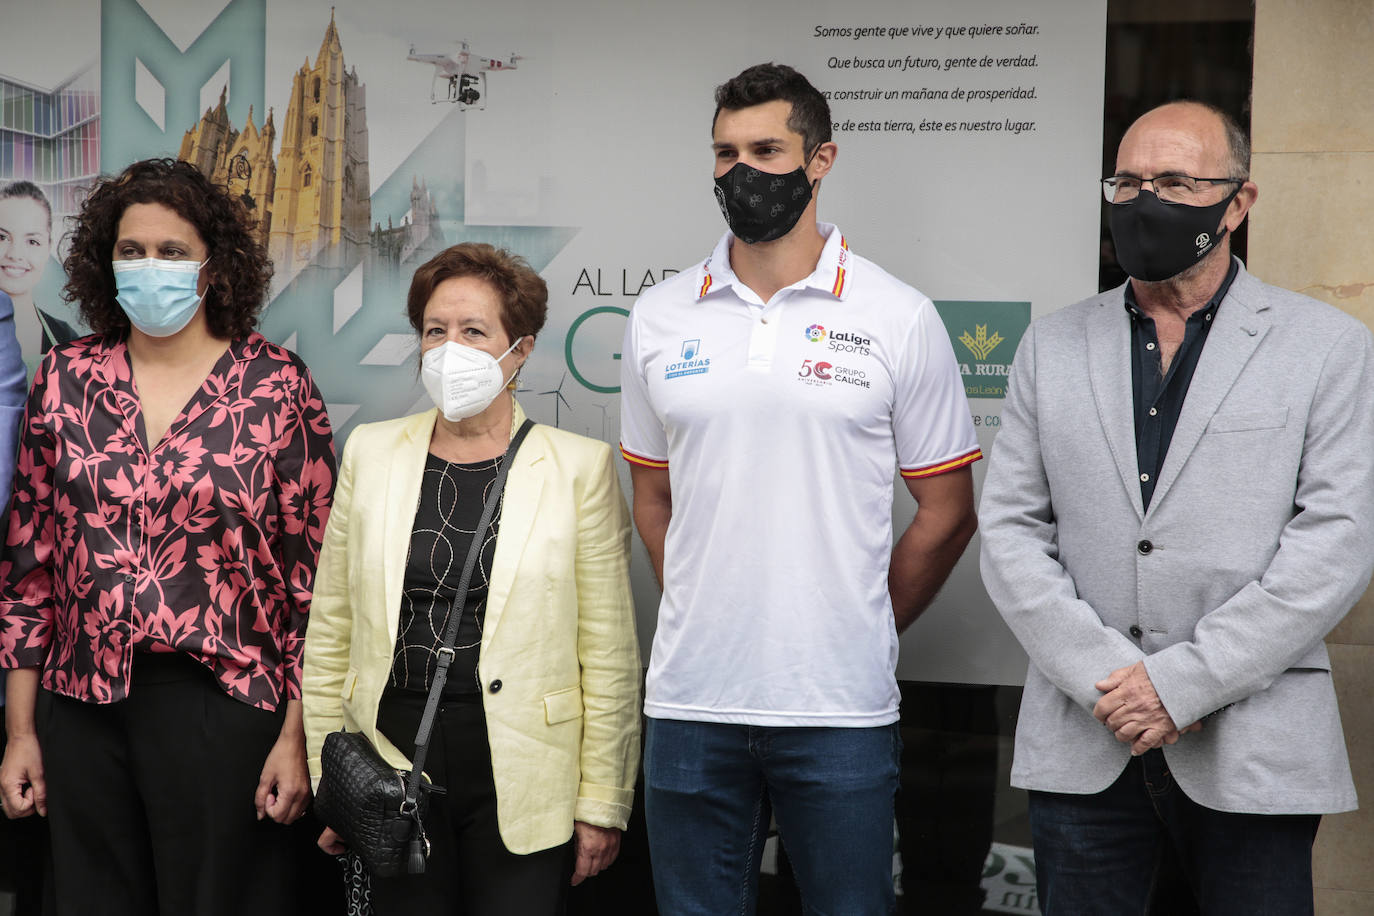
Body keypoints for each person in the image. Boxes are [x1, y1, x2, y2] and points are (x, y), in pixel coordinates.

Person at [979, 100, 1374, 915]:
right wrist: (1112, 685)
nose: (1142, 201)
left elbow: (1336, 543)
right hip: (1085, 742)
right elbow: (1012, 532)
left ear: (1239, 201)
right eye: (1126, 181)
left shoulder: (1328, 347)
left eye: (1173, 181)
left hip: (1252, 748)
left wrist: (1182, 685)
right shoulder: (1051, 346)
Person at [619, 62, 981, 915]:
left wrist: (855, 620)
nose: (741, 170)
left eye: (767, 148)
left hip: (838, 710)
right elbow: (651, 498)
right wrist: (709, 605)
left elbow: (949, 513)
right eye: (725, 152)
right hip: (690, 705)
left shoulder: (898, 316)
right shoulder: (660, 316)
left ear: (821, 160)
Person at [0, 157, 337, 916]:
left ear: (214, 266)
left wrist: (298, 737)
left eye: (173, 252)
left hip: (226, 706)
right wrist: (21, 732)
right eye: (132, 250)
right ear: (103, 262)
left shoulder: (277, 385)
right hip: (81, 705)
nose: (150, 267)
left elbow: (316, 588)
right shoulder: (65, 378)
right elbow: (28, 573)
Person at [302, 242, 641, 915]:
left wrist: (603, 802)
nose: (448, 349)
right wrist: (329, 780)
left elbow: (609, 655)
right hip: (391, 756)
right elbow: (331, 630)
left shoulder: (579, 468)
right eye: (435, 331)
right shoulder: (371, 452)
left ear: (521, 350)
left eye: (473, 332)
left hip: (525, 765)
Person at [0, 181, 78, 353]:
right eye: (2, 237)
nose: (15, 254)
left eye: (32, 241)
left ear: (47, 249)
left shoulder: (66, 339)